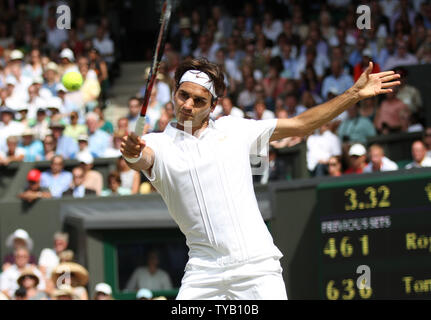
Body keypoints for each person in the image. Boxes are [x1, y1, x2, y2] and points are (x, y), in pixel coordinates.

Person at [121, 58, 400, 299]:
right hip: (202, 270)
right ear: (174, 92)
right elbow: (140, 158)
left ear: (214, 105)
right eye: (183, 95)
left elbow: (302, 125)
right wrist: (133, 153)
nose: (188, 105)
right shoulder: (155, 144)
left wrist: (353, 93)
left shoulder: (236, 130)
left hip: (256, 266)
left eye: (199, 100)